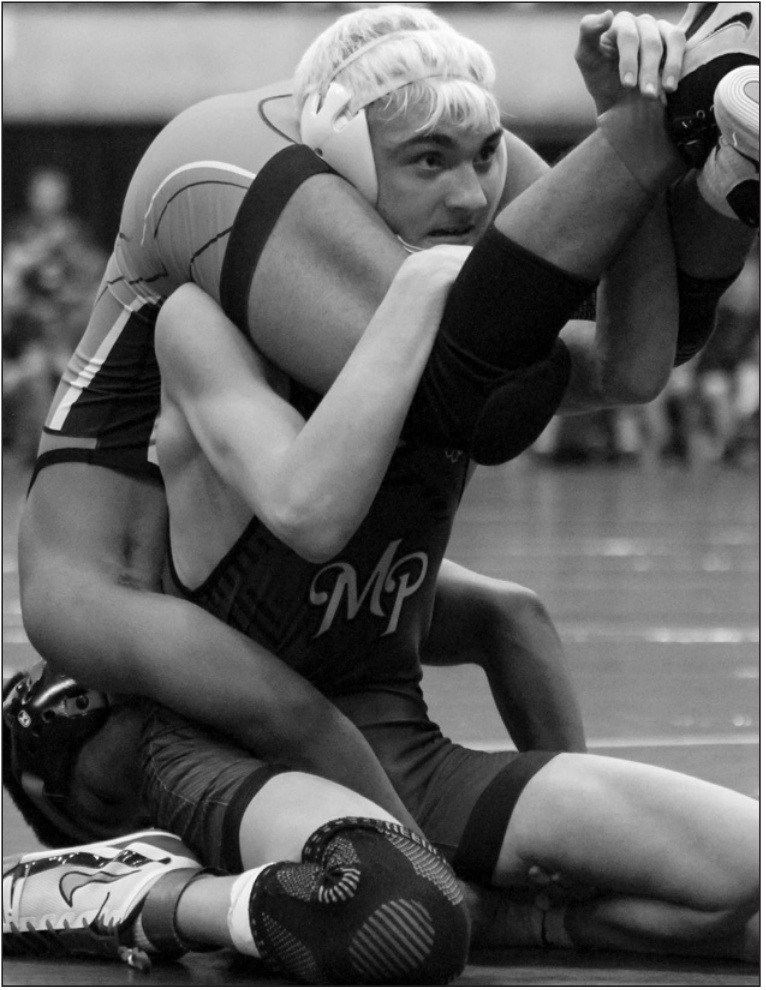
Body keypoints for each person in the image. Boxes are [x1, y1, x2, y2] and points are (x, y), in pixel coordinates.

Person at [5, 8, 760, 982]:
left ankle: (500, 917)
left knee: (743, 870)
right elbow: (309, 514)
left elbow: (628, 371)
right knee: (402, 919)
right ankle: (117, 893)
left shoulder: (463, 315)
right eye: (427, 160)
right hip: (229, 750)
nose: (467, 190)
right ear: (348, 169)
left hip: (393, 732)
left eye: (484, 155)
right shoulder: (202, 320)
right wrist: (415, 298)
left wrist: (649, 150)